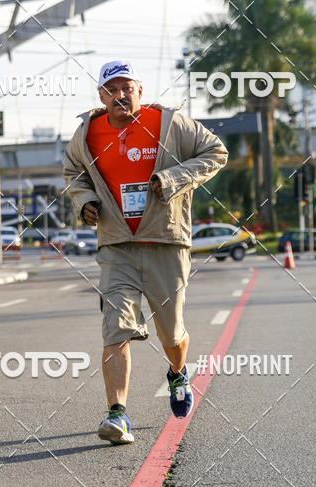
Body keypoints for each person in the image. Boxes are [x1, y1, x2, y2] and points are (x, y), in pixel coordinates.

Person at [63, 60, 228, 445]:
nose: (121, 95)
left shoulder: (169, 124)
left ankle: (177, 371)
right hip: (116, 244)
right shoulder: (88, 132)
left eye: (127, 87)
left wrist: (172, 178)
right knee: (116, 328)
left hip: (165, 241)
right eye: (112, 89)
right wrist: (84, 201)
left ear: (140, 90)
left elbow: (216, 152)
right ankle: (117, 415)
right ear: (101, 96)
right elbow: (74, 173)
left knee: (170, 331)